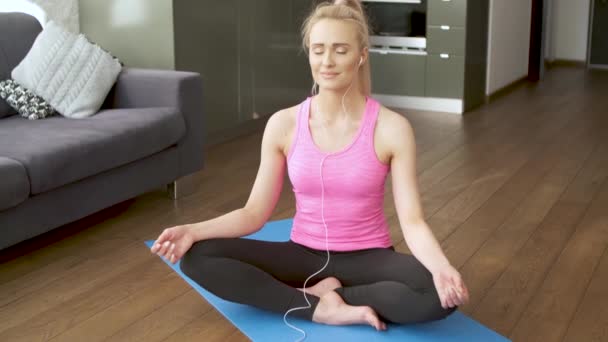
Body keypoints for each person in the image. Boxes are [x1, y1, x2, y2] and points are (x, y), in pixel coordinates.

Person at [150, 0, 469, 331]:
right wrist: (192, 231)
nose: (327, 61)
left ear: (361, 55)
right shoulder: (283, 124)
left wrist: (442, 267)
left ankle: (334, 294)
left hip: (370, 257)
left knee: (437, 293)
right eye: (318, 50)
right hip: (303, 254)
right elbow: (253, 213)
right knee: (198, 257)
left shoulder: (392, 128)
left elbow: (412, 221)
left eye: (340, 50)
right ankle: (316, 307)